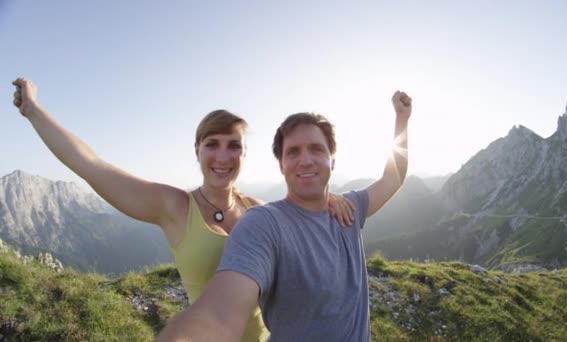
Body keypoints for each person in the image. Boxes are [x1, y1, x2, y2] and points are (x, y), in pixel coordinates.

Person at [11, 78, 356, 342]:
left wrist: (328, 198)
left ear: (244, 154)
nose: (223, 157)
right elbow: (89, 164)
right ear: (197, 151)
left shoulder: (260, 210)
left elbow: (302, 203)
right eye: (212, 145)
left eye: (233, 146)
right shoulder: (175, 207)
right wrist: (34, 110)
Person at [157, 89, 412, 341]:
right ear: (281, 166)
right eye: (293, 152)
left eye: (316, 149)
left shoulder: (349, 210)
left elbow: (394, 177)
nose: (306, 160)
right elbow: (221, 315)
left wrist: (401, 119)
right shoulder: (263, 223)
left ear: (332, 160)